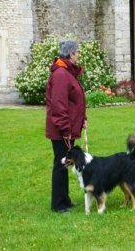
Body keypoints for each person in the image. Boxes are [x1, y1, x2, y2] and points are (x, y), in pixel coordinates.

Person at [45, 39, 87, 213]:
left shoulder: (67, 72)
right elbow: (59, 105)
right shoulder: (61, 74)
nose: (78, 55)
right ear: (71, 54)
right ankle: (58, 204)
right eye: (77, 52)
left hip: (66, 128)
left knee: (65, 164)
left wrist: (83, 118)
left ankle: (65, 200)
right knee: (61, 164)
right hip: (61, 130)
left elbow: (74, 102)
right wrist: (65, 130)